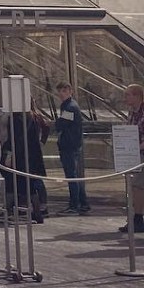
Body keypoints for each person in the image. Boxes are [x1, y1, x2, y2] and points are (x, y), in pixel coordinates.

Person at [55, 82, 89, 216]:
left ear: (70, 91)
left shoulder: (70, 108)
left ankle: (74, 205)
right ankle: (83, 203)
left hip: (69, 146)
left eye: (64, 91)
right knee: (74, 176)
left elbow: (61, 125)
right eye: (59, 91)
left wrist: (58, 122)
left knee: (71, 176)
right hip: (72, 144)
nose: (61, 94)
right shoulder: (69, 106)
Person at [120, 83, 144, 234]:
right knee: (133, 187)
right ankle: (134, 218)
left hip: (141, 154)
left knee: (138, 186)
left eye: (128, 95)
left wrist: (137, 148)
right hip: (133, 154)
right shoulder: (132, 113)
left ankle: (138, 219)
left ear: (137, 96)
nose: (125, 98)